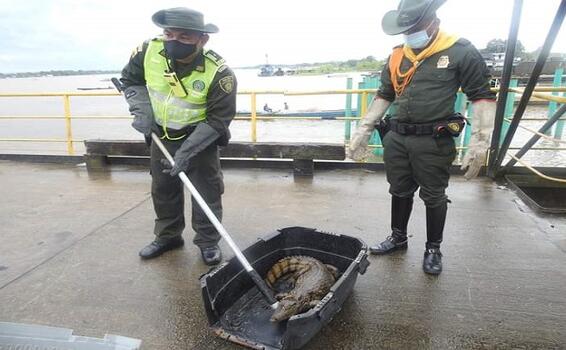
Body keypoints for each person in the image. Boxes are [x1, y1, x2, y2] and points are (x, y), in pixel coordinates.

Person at [347, 0, 496, 275]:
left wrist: (480, 143)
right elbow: (384, 94)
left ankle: (433, 248)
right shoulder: (396, 56)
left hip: (433, 140)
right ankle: (398, 237)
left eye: (414, 28)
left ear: (432, 22)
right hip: (398, 138)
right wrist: (363, 130)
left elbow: (482, 96)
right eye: (405, 30)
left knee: (434, 195)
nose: (409, 35)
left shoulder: (460, 51)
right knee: (399, 190)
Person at [120, 7, 237, 265]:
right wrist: (141, 110)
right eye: (169, 34)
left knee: (206, 192)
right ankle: (168, 236)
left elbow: (218, 120)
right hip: (161, 137)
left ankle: (207, 241)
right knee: (163, 189)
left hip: (200, 139)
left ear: (202, 39)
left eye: (184, 37)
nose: (174, 41)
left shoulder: (220, 73)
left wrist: (186, 152)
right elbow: (130, 80)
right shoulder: (147, 51)